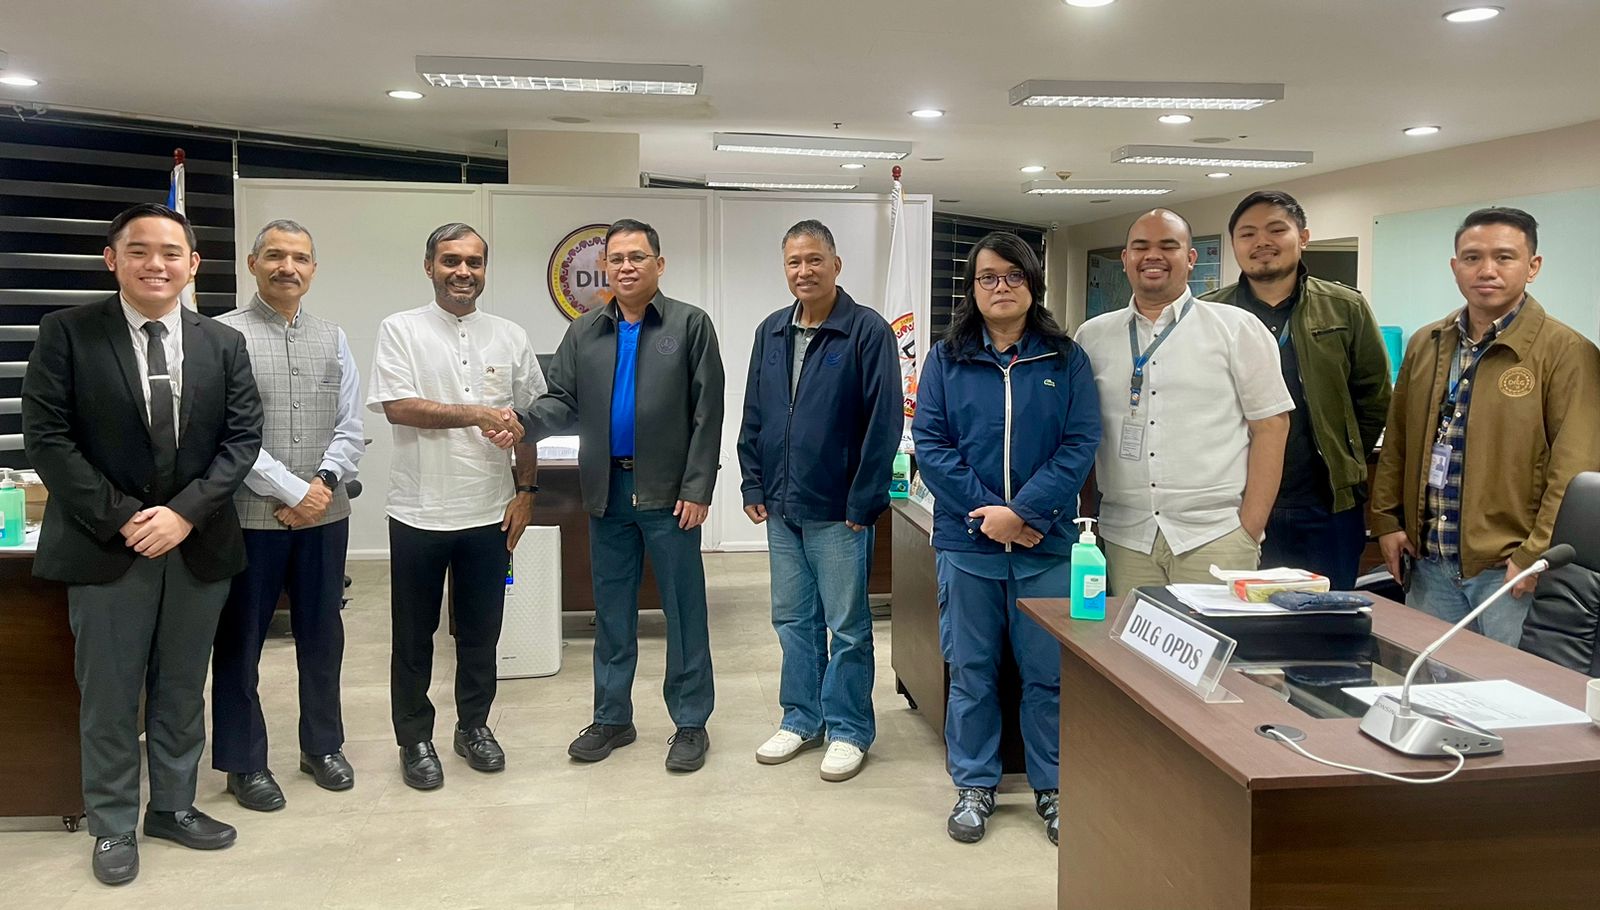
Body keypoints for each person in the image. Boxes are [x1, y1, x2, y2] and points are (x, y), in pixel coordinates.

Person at [21, 203, 263, 885]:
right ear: (112, 260)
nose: (156, 264)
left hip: (197, 546)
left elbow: (242, 439)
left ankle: (174, 807)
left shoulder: (222, 343)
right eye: (138, 251)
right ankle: (113, 824)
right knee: (110, 693)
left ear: (194, 264)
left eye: (171, 252)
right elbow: (48, 439)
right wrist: (127, 518)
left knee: (182, 687)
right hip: (105, 547)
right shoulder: (68, 333)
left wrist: (183, 515)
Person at [912, 231, 1100, 846]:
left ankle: (1054, 787)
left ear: (1032, 284)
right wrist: (988, 517)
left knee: (1048, 676)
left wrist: (1022, 514)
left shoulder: (1064, 358)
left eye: (1013, 276)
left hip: (1046, 546)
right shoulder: (946, 358)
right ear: (972, 288)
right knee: (972, 672)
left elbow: (1079, 444)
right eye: (988, 277)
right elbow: (932, 445)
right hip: (969, 548)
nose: (1001, 287)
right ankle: (974, 785)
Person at [520, 218, 725, 773]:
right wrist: (522, 424)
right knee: (611, 612)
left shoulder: (689, 325)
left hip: (669, 494)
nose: (627, 266)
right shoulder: (585, 331)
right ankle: (612, 718)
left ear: (659, 264)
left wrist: (698, 487)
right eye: (617, 259)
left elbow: (708, 413)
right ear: (605, 268)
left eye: (638, 256)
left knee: (684, 610)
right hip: (606, 491)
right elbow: (562, 400)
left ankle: (690, 722)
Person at [366, 222, 544, 790]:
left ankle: (474, 727)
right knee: (413, 636)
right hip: (418, 512)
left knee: (481, 632)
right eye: (450, 260)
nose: (463, 272)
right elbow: (397, 406)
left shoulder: (509, 335)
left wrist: (526, 493)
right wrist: (479, 414)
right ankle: (414, 739)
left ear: (485, 269)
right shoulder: (401, 329)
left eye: (474, 262)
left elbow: (530, 422)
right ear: (429, 267)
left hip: (490, 512)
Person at [1372, 207, 1600, 645]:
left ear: (1533, 267)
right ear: (1455, 266)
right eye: (1472, 257)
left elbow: (1574, 470)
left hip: (1509, 572)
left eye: (1504, 257)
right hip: (1429, 563)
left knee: (1510, 685)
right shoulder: (1427, 343)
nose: (1487, 270)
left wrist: (1536, 554)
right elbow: (1398, 440)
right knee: (1429, 679)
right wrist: (1386, 521)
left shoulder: (1567, 352)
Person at [737, 219, 902, 782]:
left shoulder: (866, 330)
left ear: (836, 264)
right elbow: (755, 413)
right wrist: (752, 482)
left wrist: (864, 501)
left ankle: (849, 728)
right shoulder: (771, 331)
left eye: (814, 260)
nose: (803, 271)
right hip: (781, 506)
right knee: (792, 620)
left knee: (847, 626)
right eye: (794, 262)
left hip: (840, 511)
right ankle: (801, 718)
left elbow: (884, 421)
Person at [211, 220, 365, 810]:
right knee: (241, 641)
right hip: (248, 517)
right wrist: (293, 490)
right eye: (275, 255)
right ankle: (244, 763)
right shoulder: (222, 335)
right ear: (252, 264)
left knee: (323, 635)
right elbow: (229, 433)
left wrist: (320, 485)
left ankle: (322, 746)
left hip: (325, 515)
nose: (288, 267)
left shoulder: (334, 337)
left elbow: (350, 425)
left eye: (300, 258)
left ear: (313, 270)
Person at [1075, 209, 1292, 593]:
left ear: (1191, 258)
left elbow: (1272, 427)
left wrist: (1249, 528)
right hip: (1126, 537)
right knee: (1132, 635)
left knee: (1215, 635)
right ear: (1125, 258)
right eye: (1140, 246)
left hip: (1215, 536)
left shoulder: (1236, 328)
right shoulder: (1092, 337)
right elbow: (1083, 434)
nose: (1152, 256)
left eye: (1168, 246)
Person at [1202, 191, 1392, 589]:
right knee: (1237, 614)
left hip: (1325, 505)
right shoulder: (1210, 314)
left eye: (1276, 230)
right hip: (1236, 502)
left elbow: (1373, 397)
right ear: (1234, 244)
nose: (1261, 242)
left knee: (1325, 615)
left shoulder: (1345, 307)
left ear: (1302, 237)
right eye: (1247, 234)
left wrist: (1345, 456)